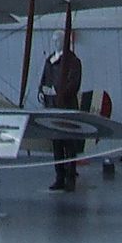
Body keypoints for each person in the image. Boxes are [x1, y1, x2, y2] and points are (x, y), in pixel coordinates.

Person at [38, 29, 84, 192]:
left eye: (58, 40)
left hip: (66, 108)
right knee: (56, 145)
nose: (55, 42)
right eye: (54, 40)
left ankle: (70, 177)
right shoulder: (50, 60)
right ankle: (59, 176)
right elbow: (43, 79)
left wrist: (58, 92)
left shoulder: (73, 62)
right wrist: (42, 93)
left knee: (69, 144)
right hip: (52, 109)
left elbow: (74, 84)